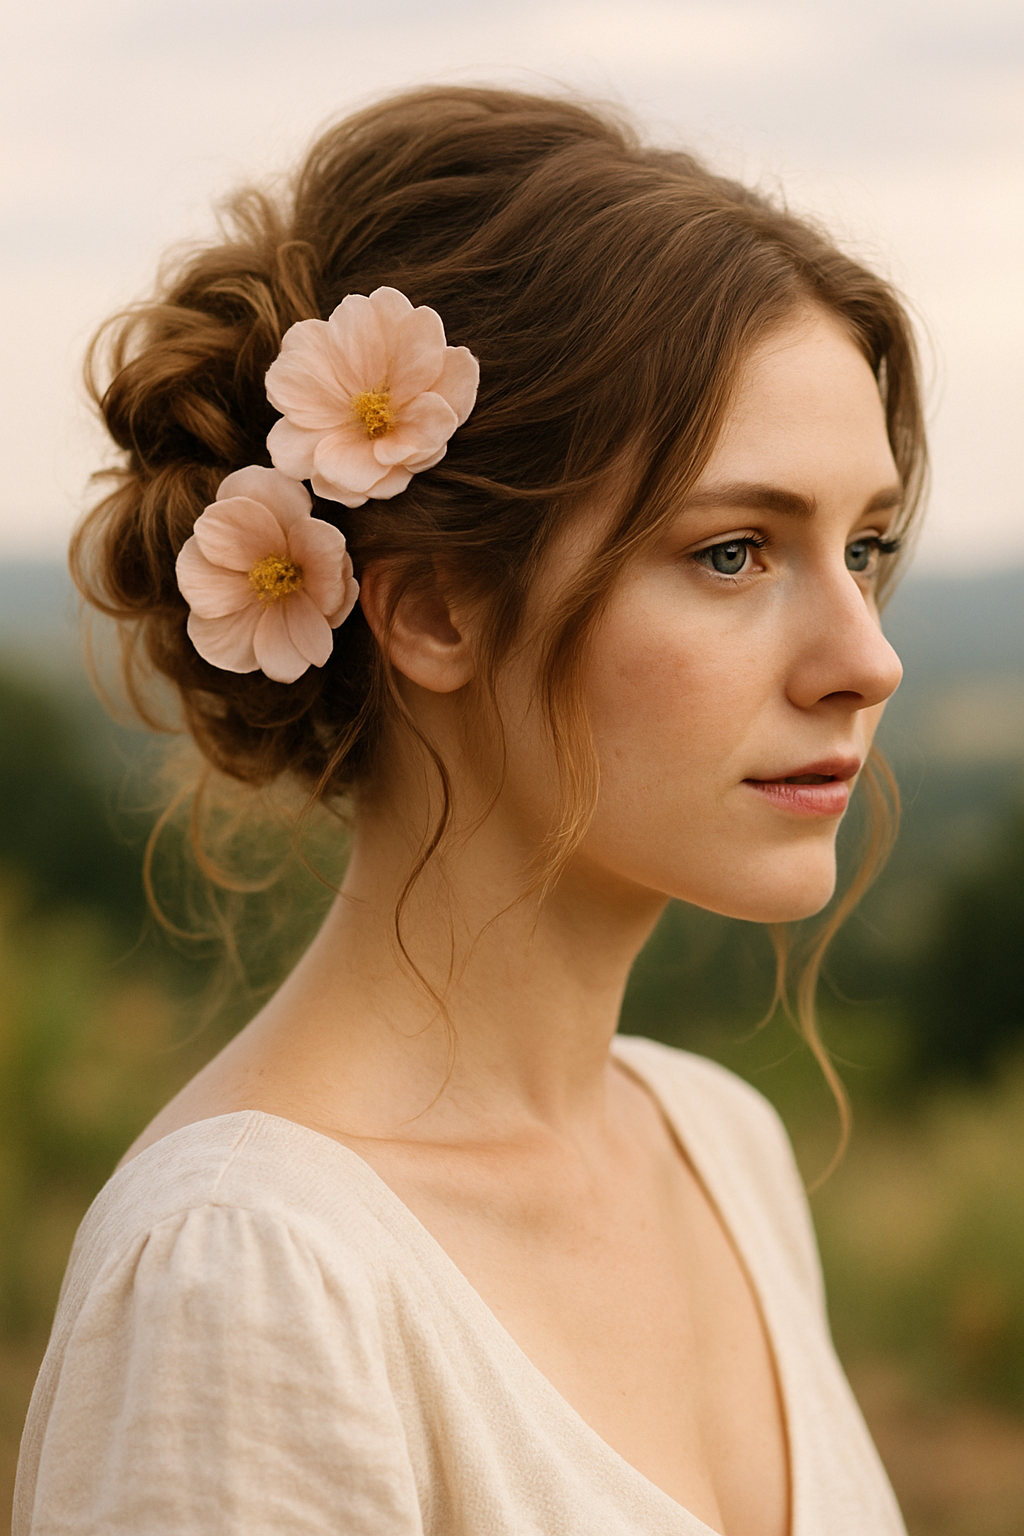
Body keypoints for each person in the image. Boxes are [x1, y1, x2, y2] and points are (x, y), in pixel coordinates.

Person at [14, 86, 924, 1536]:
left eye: (863, 546)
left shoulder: (719, 1149)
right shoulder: (250, 1276)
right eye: (735, 551)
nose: (867, 659)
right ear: (437, 607)